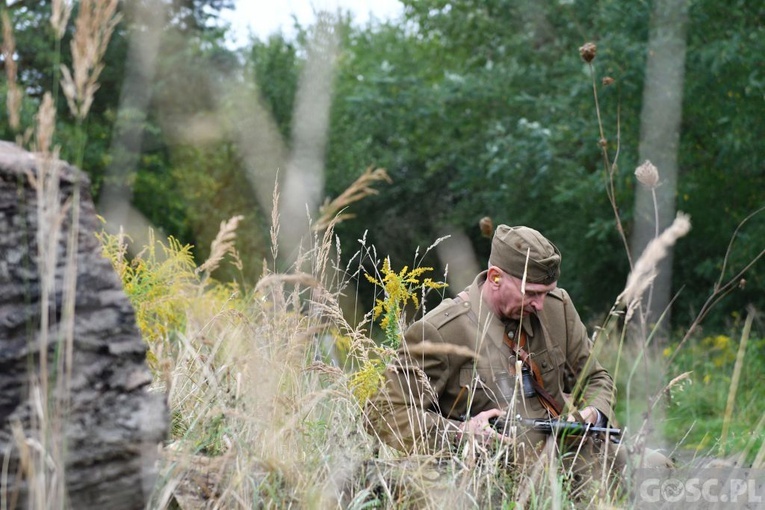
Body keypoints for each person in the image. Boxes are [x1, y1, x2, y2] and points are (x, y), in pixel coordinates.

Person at [366, 224, 670, 494]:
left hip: (569, 453)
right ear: (496, 277)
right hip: (494, 471)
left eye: (546, 292)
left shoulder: (557, 307)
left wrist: (593, 413)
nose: (540, 304)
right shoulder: (440, 331)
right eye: (532, 293)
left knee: (660, 469)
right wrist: (460, 433)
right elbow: (381, 412)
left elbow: (595, 378)